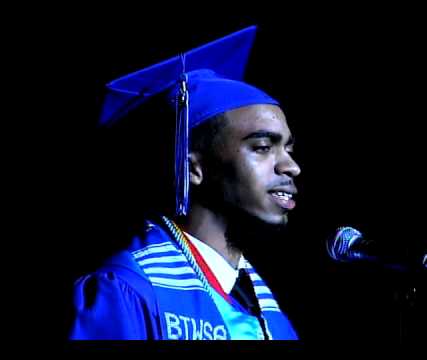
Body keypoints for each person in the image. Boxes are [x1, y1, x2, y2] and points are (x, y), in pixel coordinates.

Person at [69, 25, 301, 340]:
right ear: (194, 169)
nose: (291, 166)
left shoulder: (271, 315)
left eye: (288, 148)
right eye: (262, 147)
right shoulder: (129, 292)